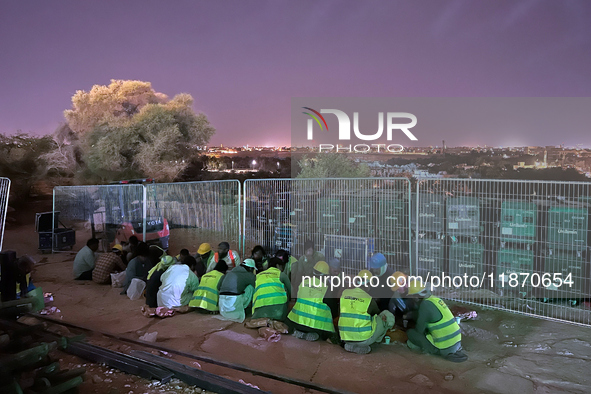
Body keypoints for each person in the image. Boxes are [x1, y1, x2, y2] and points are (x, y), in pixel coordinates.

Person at [405, 281, 467, 362]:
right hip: (457, 342)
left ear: (415, 297)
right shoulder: (435, 299)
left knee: (411, 333)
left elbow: (419, 330)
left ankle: (430, 350)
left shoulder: (425, 305)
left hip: (444, 348)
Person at [339, 270, 395, 354]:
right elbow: (377, 314)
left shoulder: (344, 293)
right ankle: (371, 343)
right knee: (384, 316)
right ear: (369, 285)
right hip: (363, 339)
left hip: (344, 337)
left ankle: (350, 345)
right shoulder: (369, 299)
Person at [288, 261, 338, 342]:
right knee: (328, 310)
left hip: (296, 322)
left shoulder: (303, 282)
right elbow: (332, 307)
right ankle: (315, 333)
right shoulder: (325, 288)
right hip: (314, 325)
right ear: (325, 276)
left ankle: (301, 332)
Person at [251, 257, 291, 322]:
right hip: (278, 313)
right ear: (278, 265)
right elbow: (291, 291)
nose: (282, 269)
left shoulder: (258, 275)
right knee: (283, 289)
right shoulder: (281, 274)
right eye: (282, 267)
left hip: (259, 312)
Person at [218, 258, 257, 323]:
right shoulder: (250, 275)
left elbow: (218, 287)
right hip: (234, 304)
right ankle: (246, 308)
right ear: (250, 268)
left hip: (222, 306)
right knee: (251, 287)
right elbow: (256, 287)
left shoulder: (228, 273)